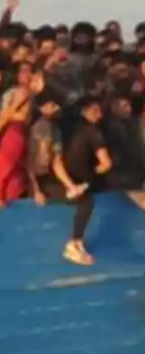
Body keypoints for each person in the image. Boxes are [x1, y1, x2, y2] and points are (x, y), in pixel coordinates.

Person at [60, 96, 111, 265]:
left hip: (57, 182)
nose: (100, 115)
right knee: (87, 202)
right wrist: (92, 176)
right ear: (84, 111)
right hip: (76, 183)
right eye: (95, 110)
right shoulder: (93, 132)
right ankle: (74, 243)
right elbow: (106, 163)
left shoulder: (65, 129)